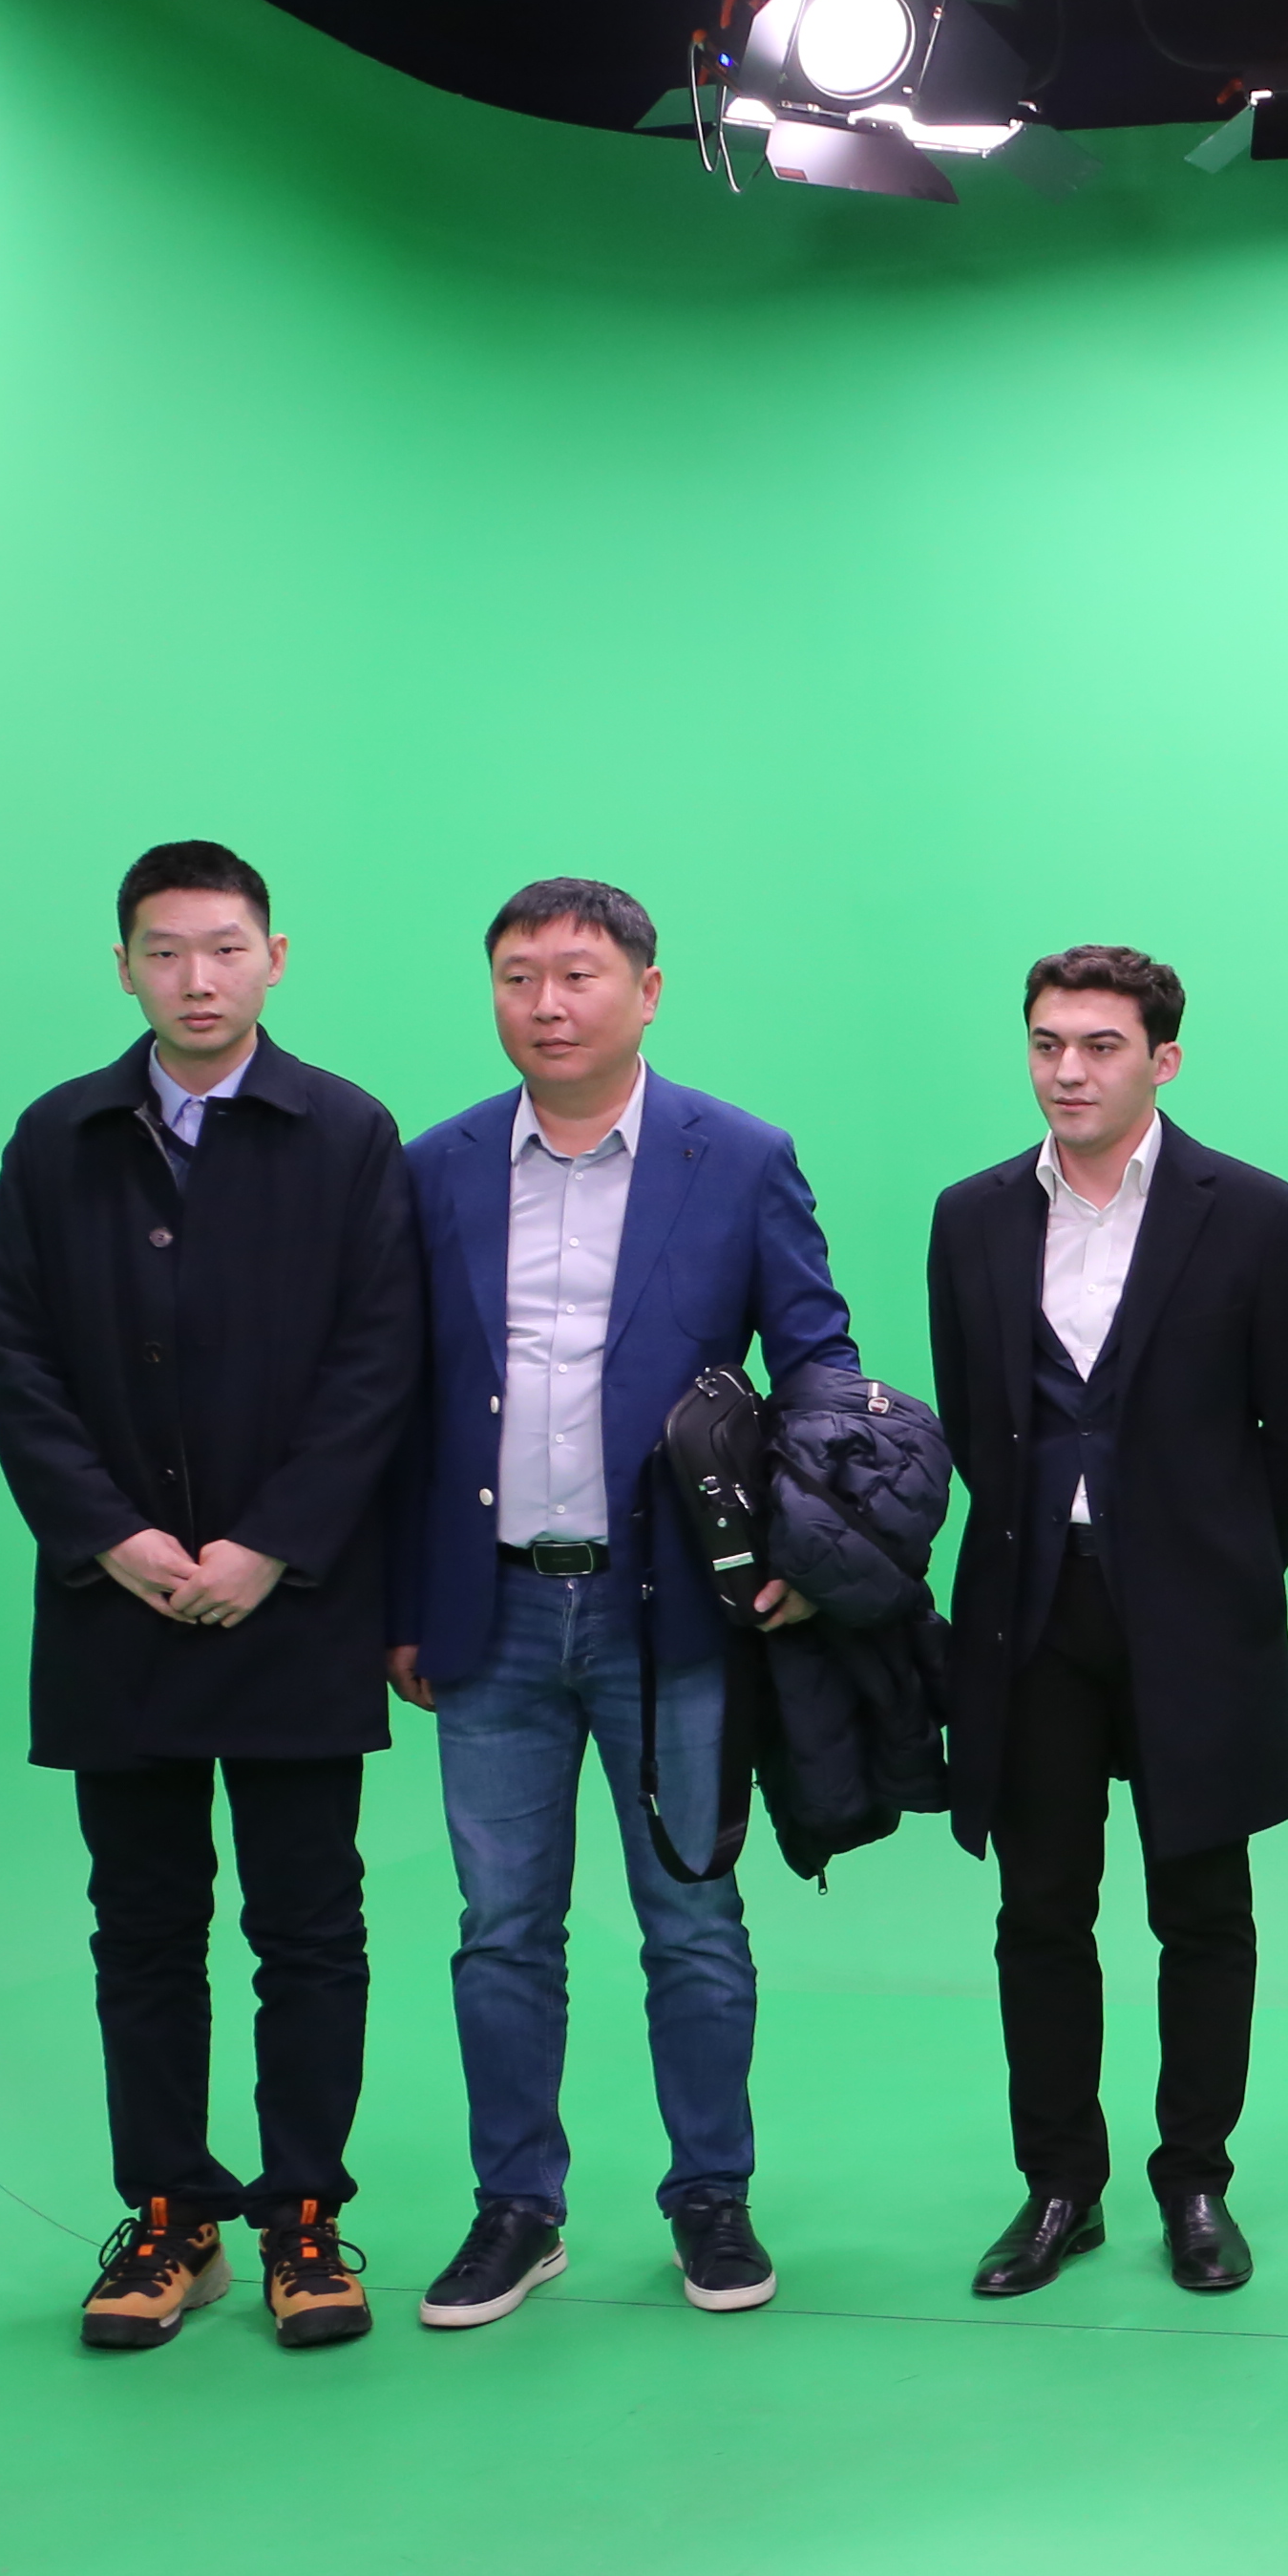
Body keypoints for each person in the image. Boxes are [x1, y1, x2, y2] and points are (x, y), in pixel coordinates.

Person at [385, 879, 856, 2331]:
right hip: (492, 1612)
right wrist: (402, 1601)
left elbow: (820, 1365)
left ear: (647, 991)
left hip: (675, 1615)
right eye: (518, 976)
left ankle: (711, 2194)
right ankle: (515, 2210)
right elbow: (392, 1396)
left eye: (579, 973)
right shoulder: (437, 1166)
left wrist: (803, 1545)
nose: (548, 1003)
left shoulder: (740, 1157)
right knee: (500, 1927)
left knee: (694, 1922)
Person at [0, 841, 422, 2352]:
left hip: (293, 1604)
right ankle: (172, 2216)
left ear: (274, 959)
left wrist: (269, 1545)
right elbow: (12, 1352)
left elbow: (382, 1358)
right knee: (145, 1926)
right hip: (117, 1607)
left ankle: (305, 2217)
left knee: (310, 1925)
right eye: (164, 953)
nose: (197, 979)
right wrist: (110, 1536)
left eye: (225, 948)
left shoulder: (347, 1133)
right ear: (124, 969)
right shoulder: (59, 1137)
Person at [932, 946, 1288, 2304]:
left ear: (1163, 1059)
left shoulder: (1253, 1214)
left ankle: (1195, 2180)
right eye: (1048, 1043)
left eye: (1100, 1046)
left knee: (1203, 1909)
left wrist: (1221, 1565)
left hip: (1193, 1620)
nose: (1069, 1071)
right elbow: (977, 1416)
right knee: (1040, 1909)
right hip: (1029, 1616)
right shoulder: (973, 1217)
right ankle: (1060, 2183)